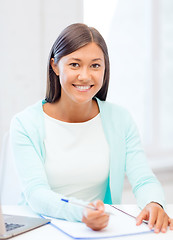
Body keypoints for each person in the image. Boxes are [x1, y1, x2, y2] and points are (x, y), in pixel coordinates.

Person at [10, 23, 173, 233]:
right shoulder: (25, 124)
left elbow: (143, 179)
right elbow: (36, 193)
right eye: (75, 65)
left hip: (99, 231)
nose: (85, 76)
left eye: (95, 65)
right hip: (41, 230)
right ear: (55, 65)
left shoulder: (120, 119)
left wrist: (154, 203)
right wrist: (82, 213)